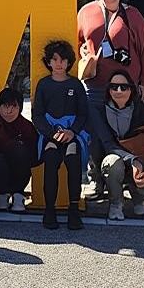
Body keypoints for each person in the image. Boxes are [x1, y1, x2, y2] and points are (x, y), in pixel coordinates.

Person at [76, 0, 144, 125]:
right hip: (94, 85)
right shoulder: (86, 12)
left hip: (124, 86)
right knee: (96, 133)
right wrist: (82, 52)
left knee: (124, 133)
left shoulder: (133, 15)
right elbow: (76, 42)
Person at [32, 40, 89, 230]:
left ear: (69, 62)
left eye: (63, 60)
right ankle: (50, 209)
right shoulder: (44, 84)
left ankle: (73, 208)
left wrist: (72, 131)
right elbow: (37, 114)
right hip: (50, 133)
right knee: (51, 157)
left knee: (72, 158)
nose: (59, 64)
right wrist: (51, 132)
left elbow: (83, 113)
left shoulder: (76, 84)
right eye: (54, 59)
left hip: (72, 132)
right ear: (48, 62)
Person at [93, 73, 144, 221]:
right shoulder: (100, 111)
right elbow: (108, 145)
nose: (118, 91)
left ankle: (138, 198)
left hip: (140, 165)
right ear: (108, 90)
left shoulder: (143, 111)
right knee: (111, 164)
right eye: (113, 87)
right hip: (119, 161)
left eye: (124, 87)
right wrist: (134, 161)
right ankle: (116, 203)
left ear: (131, 90)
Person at [0, 86, 38, 213]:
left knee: (20, 150)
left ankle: (18, 195)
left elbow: (35, 153)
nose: (9, 111)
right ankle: (2, 195)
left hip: (20, 168)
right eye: (5, 106)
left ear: (20, 108)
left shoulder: (27, 127)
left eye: (14, 107)